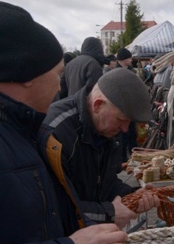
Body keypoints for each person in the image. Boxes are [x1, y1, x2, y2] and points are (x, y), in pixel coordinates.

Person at [0, 0, 132, 244]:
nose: (63, 85)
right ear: (25, 74)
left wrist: (99, 243)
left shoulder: (20, 127)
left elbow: (42, 217)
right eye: (59, 74)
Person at [44, 68, 159, 228]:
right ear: (97, 105)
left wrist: (131, 196)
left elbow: (106, 183)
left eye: (129, 123)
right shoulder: (56, 133)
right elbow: (52, 210)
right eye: (121, 119)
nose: (125, 129)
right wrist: (108, 213)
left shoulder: (107, 130)